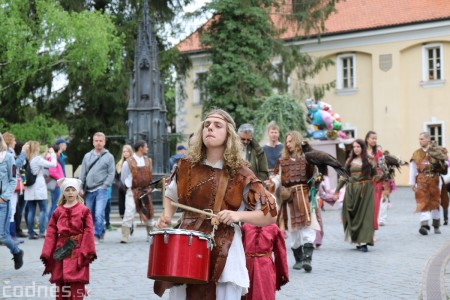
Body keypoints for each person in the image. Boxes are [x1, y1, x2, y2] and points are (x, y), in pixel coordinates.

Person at [154, 109, 277, 300]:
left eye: (217, 125)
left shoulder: (241, 174)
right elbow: (171, 195)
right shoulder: (186, 166)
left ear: (229, 135)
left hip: (225, 251)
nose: (210, 127)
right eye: (207, 124)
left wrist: (238, 216)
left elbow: (270, 214)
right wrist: (167, 216)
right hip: (187, 247)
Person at [267, 131, 320, 272]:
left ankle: (307, 259)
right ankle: (298, 258)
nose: (288, 144)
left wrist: (315, 184)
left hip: (304, 195)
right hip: (289, 197)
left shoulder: (307, 159)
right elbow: (278, 178)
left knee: (307, 227)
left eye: (290, 141)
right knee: (294, 231)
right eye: (287, 141)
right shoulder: (282, 161)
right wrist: (271, 184)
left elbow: (315, 175)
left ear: (297, 141)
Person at [40, 178, 96, 299]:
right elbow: (51, 232)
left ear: (77, 192)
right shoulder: (58, 211)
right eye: (67, 190)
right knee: (61, 283)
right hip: (62, 249)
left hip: (78, 250)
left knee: (77, 283)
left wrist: (86, 250)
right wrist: (47, 251)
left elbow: (89, 230)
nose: (70, 192)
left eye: (73, 189)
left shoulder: (84, 210)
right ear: (63, 192)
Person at [335, 139, 377, 252]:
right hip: (352, 190)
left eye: (358, 146)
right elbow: (344, 176)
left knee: (365, 216)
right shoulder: (350, 160)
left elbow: (375, 175)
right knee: (352, 215)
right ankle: (358, 240)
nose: (356, 149)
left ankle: (364, 242)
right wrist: (337, 190)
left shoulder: (369, 160)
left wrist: (383, 174)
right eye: (354, 147)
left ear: (363, 148)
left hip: (366, 190)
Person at [79, 132, 115, 243]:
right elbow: (83, 172)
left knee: (99, 213)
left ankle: (97, 235)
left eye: (100, 141)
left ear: (104, 142)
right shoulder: (87, 156)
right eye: (96, 141)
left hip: (101, 189)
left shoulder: (109, 157)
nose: (98, 143)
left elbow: (111, 173)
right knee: (89, 213)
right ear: (93, 142)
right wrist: (81, 187)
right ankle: (100, 230)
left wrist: (105, 186)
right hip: (89, 189)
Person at [241, 223, 289, 300]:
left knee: (265, 293)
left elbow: (280, 253)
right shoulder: (245, 226)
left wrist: (282, 274)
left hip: (265, 268)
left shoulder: (273, 228)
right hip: (248, 267)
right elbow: (281, 253)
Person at [409, 132, 444, 235]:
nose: (420, 141)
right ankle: (424, 225)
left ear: (428, 140)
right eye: (419, 139)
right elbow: (412, 168)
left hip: (434, 179)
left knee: (435, 202)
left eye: (422, 139)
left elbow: (445, 165)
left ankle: (436, 225)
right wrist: (412, 182)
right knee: (423, 201)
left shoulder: (436, 152)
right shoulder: (416, 154)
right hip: (421, 180)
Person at [120, 140, 153, 243]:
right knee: (129, 212)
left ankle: (150, 234)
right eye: (146, 147)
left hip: (145, 191)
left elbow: (149, 175)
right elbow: (123, 178)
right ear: (141, 148)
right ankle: (125, 236)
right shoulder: (128, 162)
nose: (147, 149)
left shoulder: (148, 161)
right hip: (132, 191)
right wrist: (130, 186)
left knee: (149, 212)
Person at [0, 132, 24, 269]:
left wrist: (4, 197)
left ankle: (17, 252)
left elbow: (13, 179)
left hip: (3, 202)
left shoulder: (8, 157)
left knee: (2, 237)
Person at [24, 141, 57, 239]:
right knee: (43, 209)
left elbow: (38, 162)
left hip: (29, 187)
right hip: (39, 186)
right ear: (36, 148)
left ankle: (30, 232)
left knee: (31, 211)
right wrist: (53, 154)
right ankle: (42, 232)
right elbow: (53, 164)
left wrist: (45, 154)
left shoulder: (26, 159)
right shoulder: (37, 159)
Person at [3, 132, 26, 243]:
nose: (15, 142)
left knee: (9, 210)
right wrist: (23, 154)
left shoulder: (7, 152)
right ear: (9, 141)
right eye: (14, 140)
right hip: (10, 184)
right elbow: (15, 165)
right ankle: (10, 236)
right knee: (10, 210)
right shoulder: (7, 153)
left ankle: (10, 235)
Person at [365, 131, 384, 232]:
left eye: (375, 138)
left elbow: (382, 168)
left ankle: (372, 230)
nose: (374, 140)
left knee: (375, 206)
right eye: (372, 138)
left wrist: (378, 176)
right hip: (364, 181)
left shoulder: (379, 153)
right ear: (367, 139)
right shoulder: (362, 152)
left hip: (376, 182)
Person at [47, 144, 65, 222]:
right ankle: (51, 223)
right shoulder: (52, 159)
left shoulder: (53, 159)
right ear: (56, 152)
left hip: (57, 184)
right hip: (56, 184)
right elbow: (52, 172)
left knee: (55, 204)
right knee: (54, 205)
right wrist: (60, 179)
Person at [115, 145, 133, 218]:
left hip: (131, 189)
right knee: (122, 210)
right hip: (122, 189)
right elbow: (116, 178)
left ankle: (129, 226)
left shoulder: (134, 163)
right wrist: (120, 185)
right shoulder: (119, 164)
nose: (125, 153)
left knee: (130, 209)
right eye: (124, 151)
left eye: (127, 151)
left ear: (130, 152)